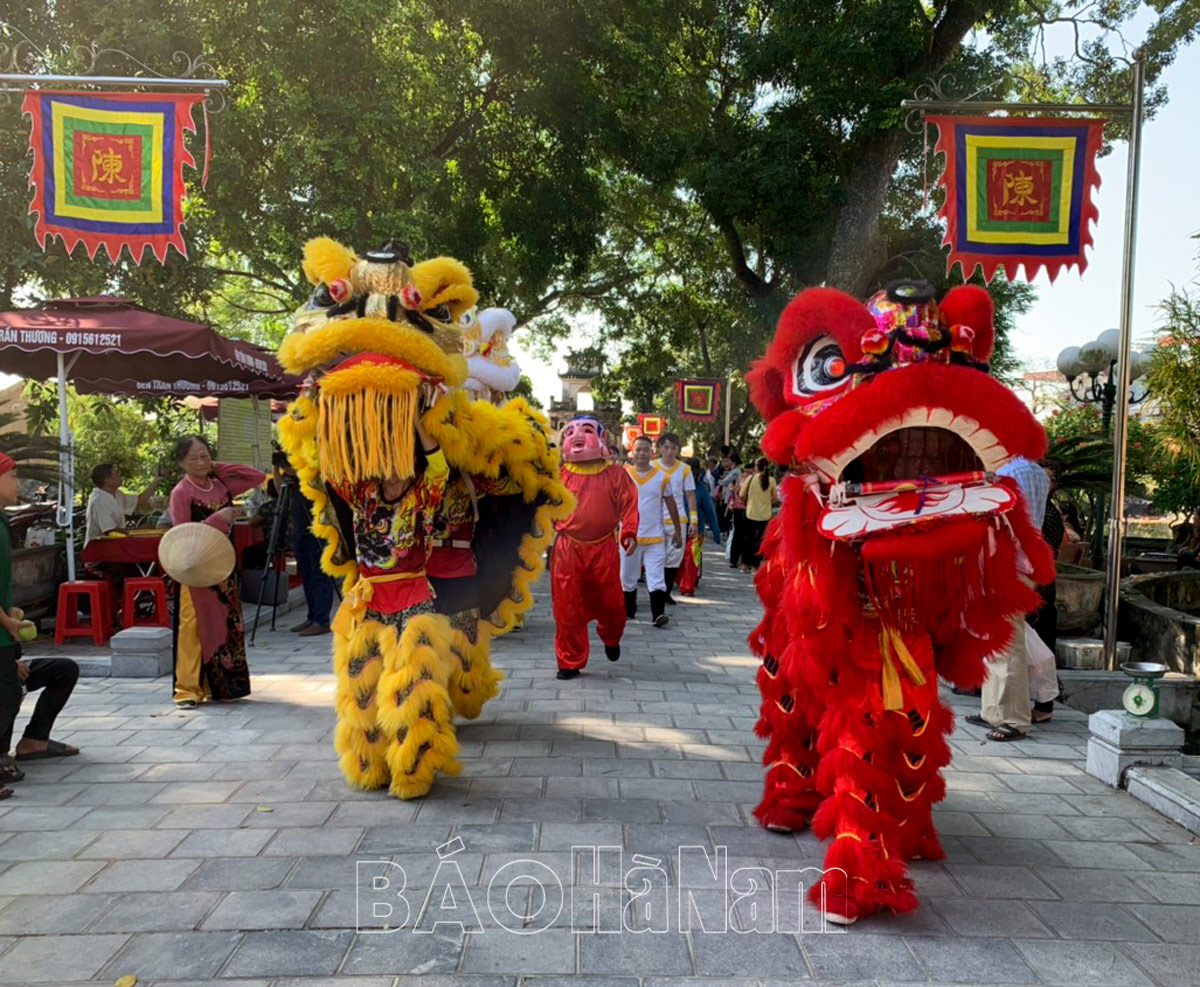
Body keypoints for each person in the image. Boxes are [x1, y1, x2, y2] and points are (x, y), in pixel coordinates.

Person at [0, 451, 80, 798]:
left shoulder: (2, 523)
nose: (17, 483)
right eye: (12, 476)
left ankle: (33, 741)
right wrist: (8, 622)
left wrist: (10, 614)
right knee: (4, 700)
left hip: (6, 641)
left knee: (58, 671)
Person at [168, 436, 266, 710]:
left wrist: (217, 466)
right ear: (181, 463)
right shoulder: (181, 492)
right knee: (193, 626)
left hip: (224, 565)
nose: (200, 462)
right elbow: (181, 535)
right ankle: (186, 689)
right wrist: (216, 519)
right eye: (193, 459)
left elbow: (256, 476)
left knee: (226, 625)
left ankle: (223, 687)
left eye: (204, 455)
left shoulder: (221, 484)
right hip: (196, 568)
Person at [969, 454, 1050, 741]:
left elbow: (1014, 521)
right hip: (1009, 562)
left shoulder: (1015, 470)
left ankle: (1013, 718)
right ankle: (993, 711)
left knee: (1007, 644)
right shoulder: (1028, 469)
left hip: (1010, 564)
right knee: (995, 640)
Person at [551, 417, 639, 678]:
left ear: (602, 439)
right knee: (566, 607)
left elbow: (629, 504)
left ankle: (611, 636)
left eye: (587, 431)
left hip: (603, 546)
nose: (578, 436)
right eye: (571, 432)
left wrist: (630, 533)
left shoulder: (616, 473)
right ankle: (569, 661)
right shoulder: (559, 475)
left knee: (612, 605)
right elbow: (542, 506)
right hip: (568, 548)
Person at [622, 435, 681, 627]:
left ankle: (658, 614)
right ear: (632, 451)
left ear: (651, 452)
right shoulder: (623, 474)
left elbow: (672, 505)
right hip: (628, 538)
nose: (641, 453)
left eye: (645, 450)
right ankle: (628, 612)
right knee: (627, 577)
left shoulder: (662, 478)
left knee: (656, 577)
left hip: (655, 537)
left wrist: (678, 531)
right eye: (638, 449)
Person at [654, 433, 697, 605]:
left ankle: (666, 590)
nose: (669, 451)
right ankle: (656, 591)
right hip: (655, 519)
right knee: (656, 556)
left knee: (673, 558)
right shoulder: (651, 466)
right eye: (666, 447)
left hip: (678, 520)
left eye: (673, 448)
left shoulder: (684, 469)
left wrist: (694, 520)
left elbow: (690, 495)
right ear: (660, 448)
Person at [84, 462, 162, 545]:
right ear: (107, 480)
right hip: (99, 548)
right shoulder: (99, 501)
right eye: (116, 474)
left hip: (116, 544)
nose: (120, 476)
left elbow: (140, 500)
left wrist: (156, 480)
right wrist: (140, 530)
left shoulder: (117, 494)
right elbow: (111, 532)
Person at [739, 457, 778, 571]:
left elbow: (741, 495)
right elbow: (775, 498)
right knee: (760, 541)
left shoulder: (750, 479)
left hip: (751, 513)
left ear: (756, 467)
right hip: (765, 515)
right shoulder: (771, 480)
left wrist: (750, 500)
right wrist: (767, 502)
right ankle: (756, 566)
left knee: (748, 540)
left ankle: (745, 564)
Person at [691, 457, 722, 546]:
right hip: (679, 531)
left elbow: (709, 511)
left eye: (694, 474)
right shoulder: (677, 486)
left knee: (695, 559)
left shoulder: (701, 488)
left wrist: (716, 531)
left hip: (697, 532)